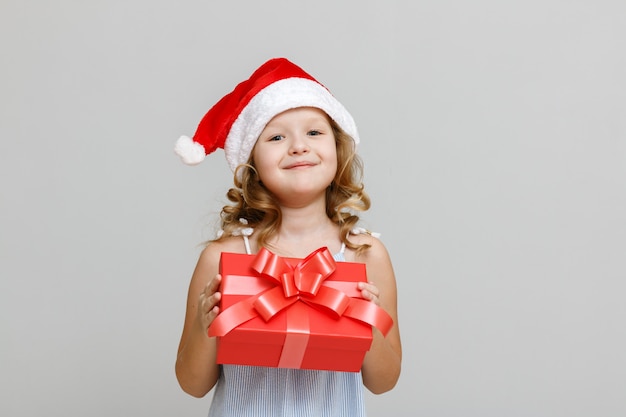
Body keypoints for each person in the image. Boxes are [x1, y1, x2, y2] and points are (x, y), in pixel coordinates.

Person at [174, 57, 401, 417]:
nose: (298, 146)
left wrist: (366, 323)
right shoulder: (223, 257)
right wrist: (207, 325)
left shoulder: (365, 255)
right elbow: (192, 383)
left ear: (338, 148)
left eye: (314, 132)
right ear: (252, 163)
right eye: (277, 137)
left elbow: (384, 381)